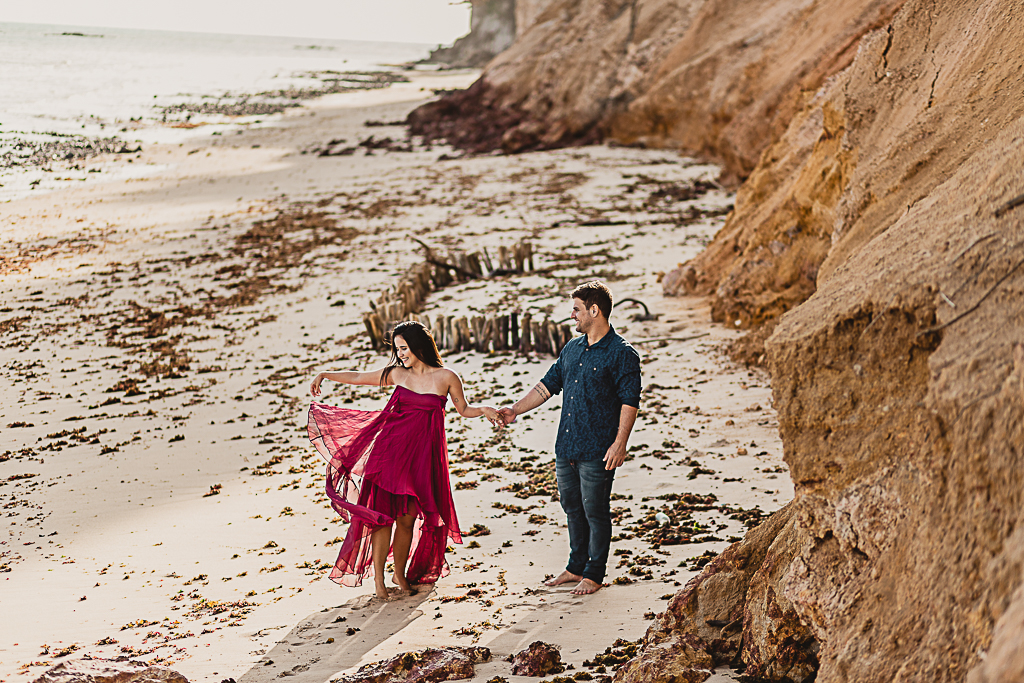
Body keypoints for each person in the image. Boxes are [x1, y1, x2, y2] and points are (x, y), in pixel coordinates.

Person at [308, 320, 501, 600]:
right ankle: (379, 581)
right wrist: (326, 373)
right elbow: (361, 377)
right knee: (382, 519)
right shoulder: (398, 374)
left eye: (404, 348)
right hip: (390, 454)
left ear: (418, 345)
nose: (400, 354)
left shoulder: (447, 377)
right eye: (397, 349)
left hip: (422, 458)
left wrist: (484, 410)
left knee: (408, 519)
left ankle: (399, 573)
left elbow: (464, 409)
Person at [498, 281, 641, 595]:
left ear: (594, 310)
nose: (572, 314)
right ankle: (576, 566)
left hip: (599, 449)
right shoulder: (572, 349)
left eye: (576, 309)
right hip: (566, 445)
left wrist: (620, 443)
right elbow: (547, 385)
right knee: (571, 506)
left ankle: (594, 572)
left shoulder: (622, 354)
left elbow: (630, 400)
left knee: (595, 509)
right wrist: (515, 410)